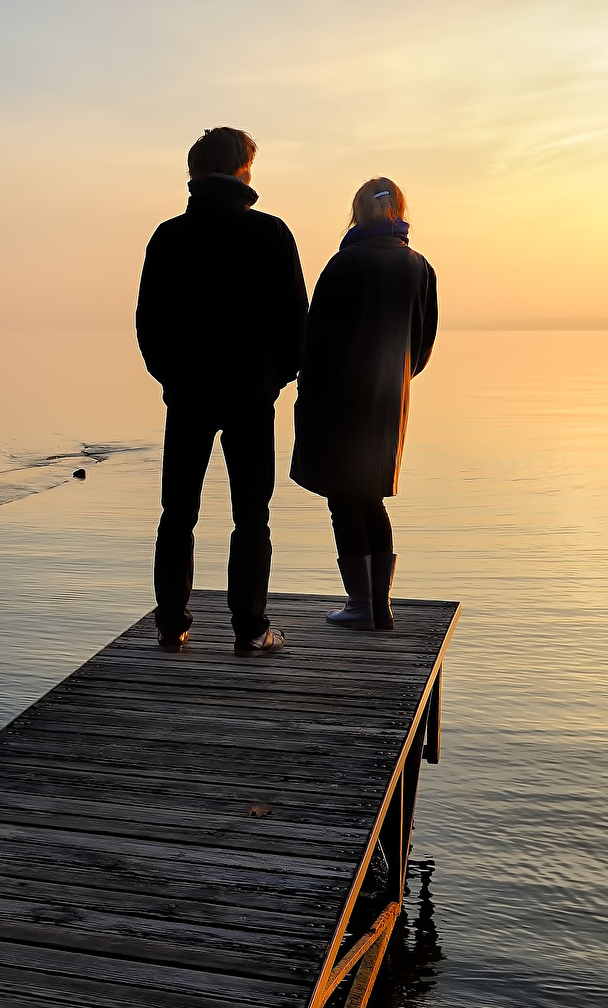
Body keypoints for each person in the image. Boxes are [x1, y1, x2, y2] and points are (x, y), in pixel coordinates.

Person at [136, 127, 308, 655]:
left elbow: (149, 323)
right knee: (251, 514)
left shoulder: (169, 237)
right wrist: (270, 378)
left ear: (193, 174)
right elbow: (297, 326)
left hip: (187, 392)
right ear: (243, 172)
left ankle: (171, 625)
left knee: (177, 511)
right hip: (251, 395)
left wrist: (173, 377)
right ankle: (250, 629)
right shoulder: (272, 234)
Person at [290, 178, 438, 630]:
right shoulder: (421, 268)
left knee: (344, 499)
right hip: (390, 399)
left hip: (341, 398)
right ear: (398, 210)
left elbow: (314, 343)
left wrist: (306, 393)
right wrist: (395, 379)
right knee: (370, 498)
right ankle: (380, 605)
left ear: (357, 214)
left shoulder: (345, 264)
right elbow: (423, 343)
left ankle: (361, 603)